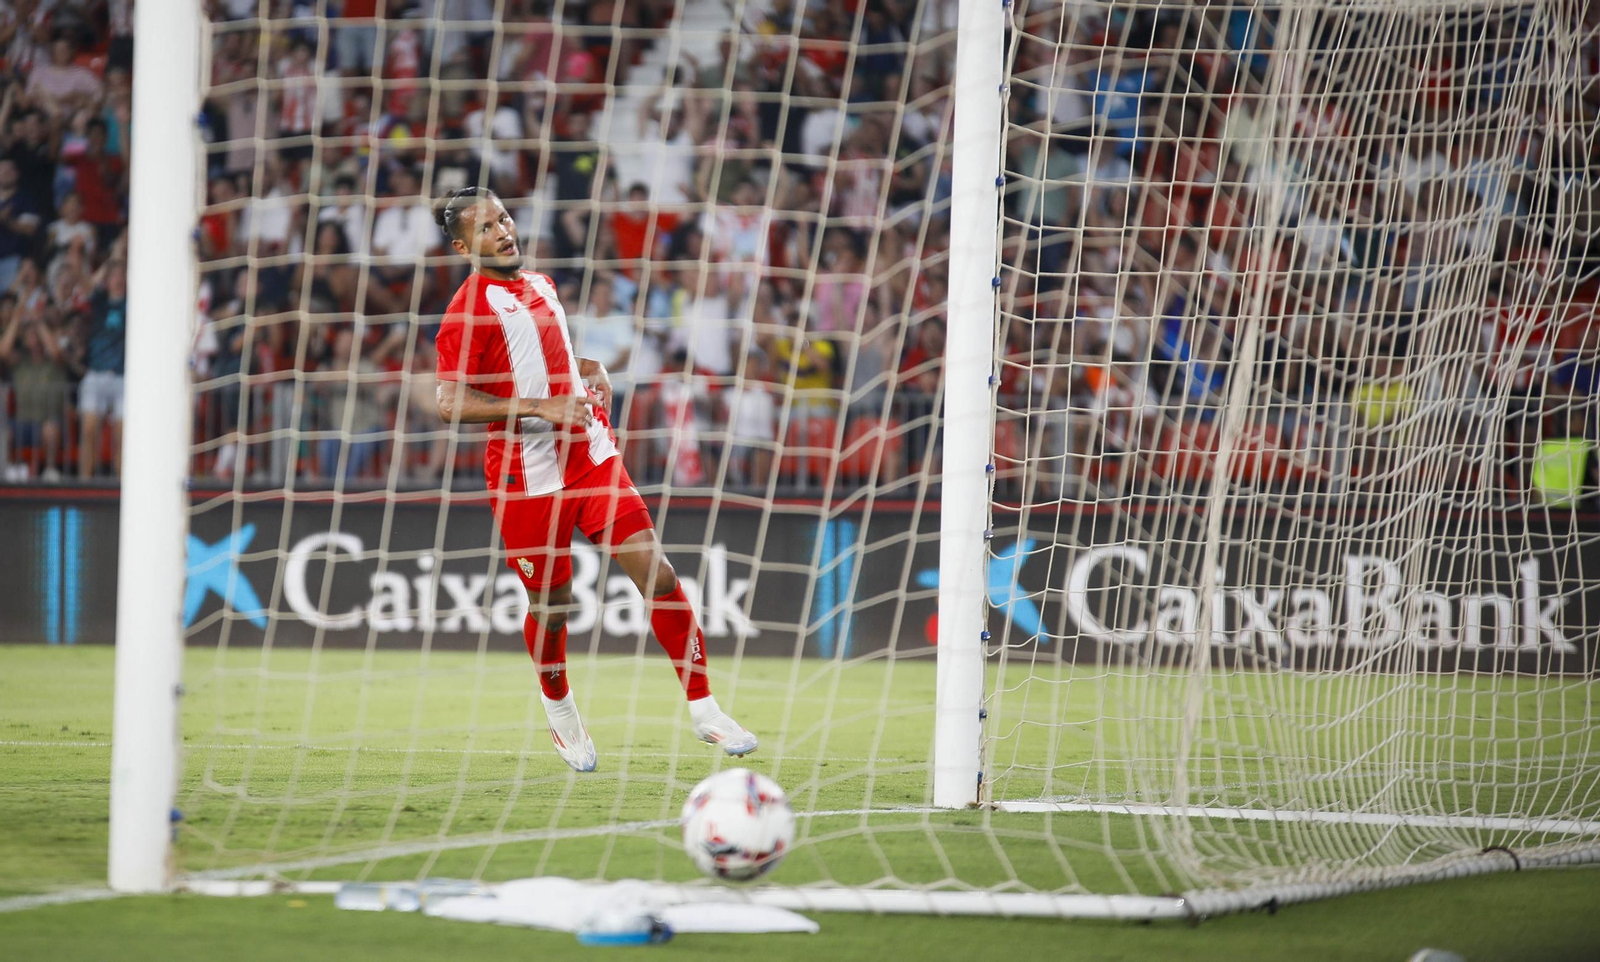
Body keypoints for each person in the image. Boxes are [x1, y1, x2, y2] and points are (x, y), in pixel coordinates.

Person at [429, 186, 757, 772]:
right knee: (553, 606)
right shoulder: (465, 311)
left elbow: (544, 356)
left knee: (656, 570)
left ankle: (706, 709)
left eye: (504, 218)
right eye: (486, 228)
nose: (503, 231)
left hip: (590, 453)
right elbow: (449, 402)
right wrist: (540, 407)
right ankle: (561, 715)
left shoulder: (542, 285)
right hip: (527, 477)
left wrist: (589, 367)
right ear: (462, 246)